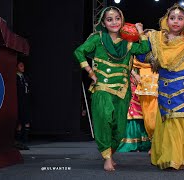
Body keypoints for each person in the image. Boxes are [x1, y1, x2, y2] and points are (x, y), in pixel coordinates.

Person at [73, 6, 150, 171]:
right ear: (103, 22)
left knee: (119, 128)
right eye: (109, 19)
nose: (114, 22)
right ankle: (106, 157)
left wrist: (140, 31)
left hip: (122, 91)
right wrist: (90, 72)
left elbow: (144, 49)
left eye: (117, 18)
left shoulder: (128, 43)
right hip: (102, 88)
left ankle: (111, 153)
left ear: (122, 20)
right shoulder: (98, 38)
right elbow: (79, 51)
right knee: (104, 120)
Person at [137, 3, 184, 170]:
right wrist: (141, 36)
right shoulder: (156, 39)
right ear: (166, 20)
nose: (176, 21)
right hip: (165, 86)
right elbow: (142, 56)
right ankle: (171, 156)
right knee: (168, 120)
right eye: (172, 18)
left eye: (180, 18)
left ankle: (179, 158)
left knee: (180, 121)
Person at [116, 66, 151, 153]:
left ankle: (141, 142)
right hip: (127, 75)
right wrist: (134, 74)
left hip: (142, 74)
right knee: (130, 109)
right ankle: (129, 143)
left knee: (139, 109)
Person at [15, 61, 32, 150]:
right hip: (19, 102)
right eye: (21, 66)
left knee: (27, 121)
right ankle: (18, 141)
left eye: (23, 66)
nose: (23, 67)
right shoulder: (15, 78)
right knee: (20, 122)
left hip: (26, 102)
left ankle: (25, 141)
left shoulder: (25, 77)